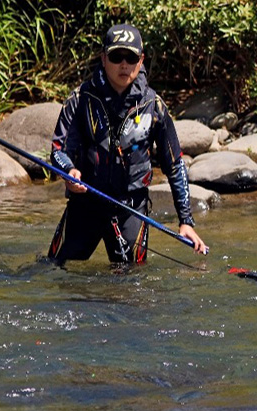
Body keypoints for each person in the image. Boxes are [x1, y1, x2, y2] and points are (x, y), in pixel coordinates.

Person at [48, 23, 207, 266]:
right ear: (103, 58)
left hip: (131, 209)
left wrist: (185, 221)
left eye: (131, 57)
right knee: (55, 268)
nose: (124, 64)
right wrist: (69, 171)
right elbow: (59, 150)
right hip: (86, 204)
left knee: (130, 284)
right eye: (116, 56)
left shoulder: (154, 106)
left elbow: (174, 165)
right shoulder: (80, 100)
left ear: (141, 60)